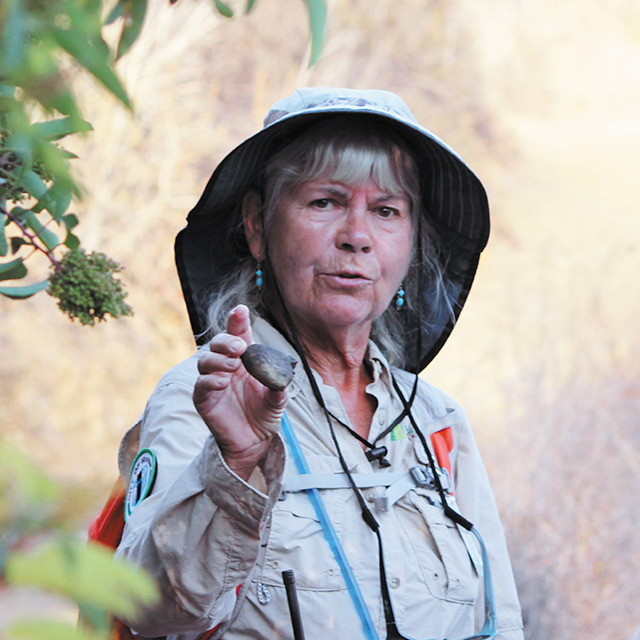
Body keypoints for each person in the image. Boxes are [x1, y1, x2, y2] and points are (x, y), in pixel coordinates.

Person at [114, 87, 524, 640]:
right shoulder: (204, 396)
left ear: (409, 242)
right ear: (258, 225)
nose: (357, 237)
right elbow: (143, 611)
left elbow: (498, 622)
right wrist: (235, 463)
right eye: (324, 202)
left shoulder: (437, 423)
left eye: (385, 211)